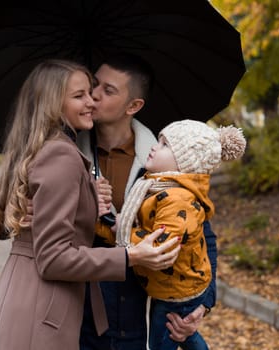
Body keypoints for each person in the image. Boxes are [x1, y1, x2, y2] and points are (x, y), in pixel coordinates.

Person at [0, 59, 180, 350]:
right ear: (53, 104)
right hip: (43, 307)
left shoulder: (47, 148)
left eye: (93, 91)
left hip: (36, 299)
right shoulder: (62, 154)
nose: (91, 101)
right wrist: (132, 256)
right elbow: (54, 258)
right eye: (79, 95)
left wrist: (86, 200)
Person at [75, 54, 220, 349]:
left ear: (134, 106)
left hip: (135, 315)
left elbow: (203, 237)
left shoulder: (166, 166)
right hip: (79, 312)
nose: (94, 95)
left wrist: (201, 305)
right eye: (93, 85)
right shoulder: (66, 154)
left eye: (108, 90)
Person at [110, 119, 246, 350]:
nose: (155, 146)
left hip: (176, 288)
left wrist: (123, 228)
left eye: (164, 144)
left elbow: (164, 245)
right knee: (181, 335)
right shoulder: (155, 185)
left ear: (184, 163)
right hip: (167, 285)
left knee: (165, 338)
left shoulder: (177, 199)